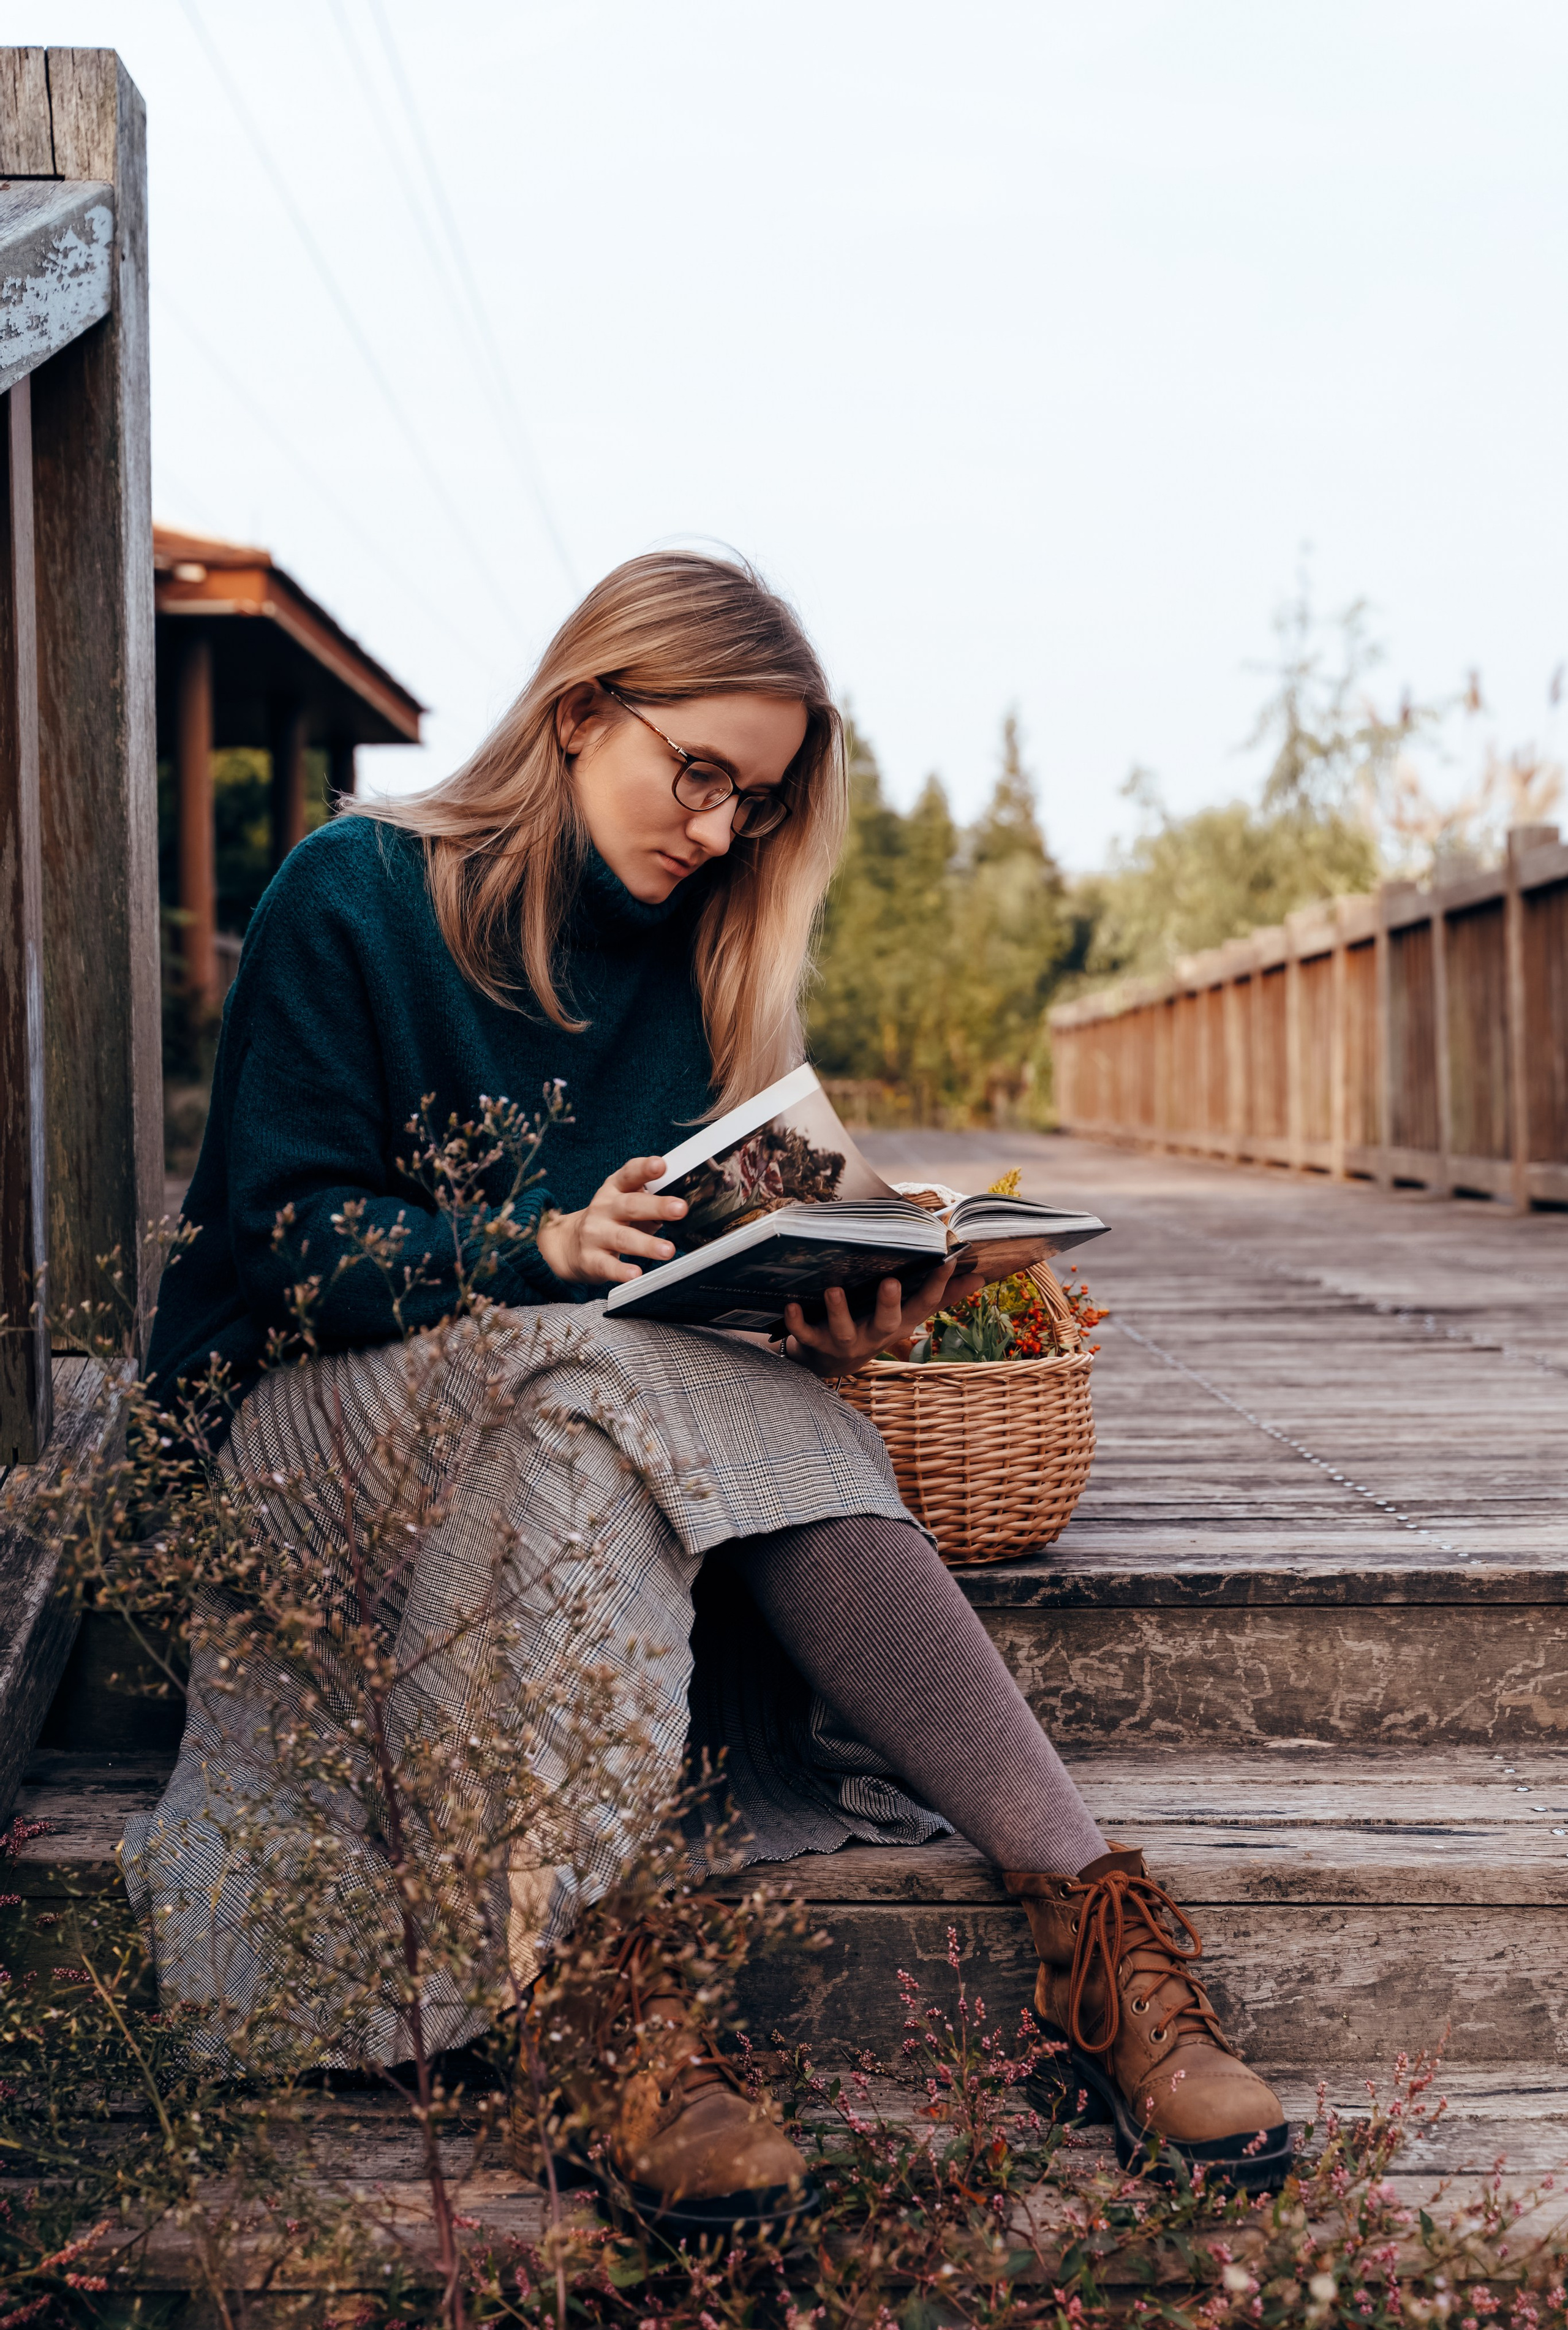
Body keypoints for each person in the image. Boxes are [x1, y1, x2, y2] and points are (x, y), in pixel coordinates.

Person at [127, 552, 1286, 2230]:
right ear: (583, 710)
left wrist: (825, 1320)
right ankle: (597, 1988)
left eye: (756, 802)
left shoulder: (711, 956)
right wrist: (531, 1242)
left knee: (616, 1397)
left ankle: (1092, 1931)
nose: (722, 830)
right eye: (700, 775)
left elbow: (682, 1292)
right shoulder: (356, 890)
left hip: (563, 1431)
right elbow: (282, 1235)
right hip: (303, 1431)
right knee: (575, 1373)